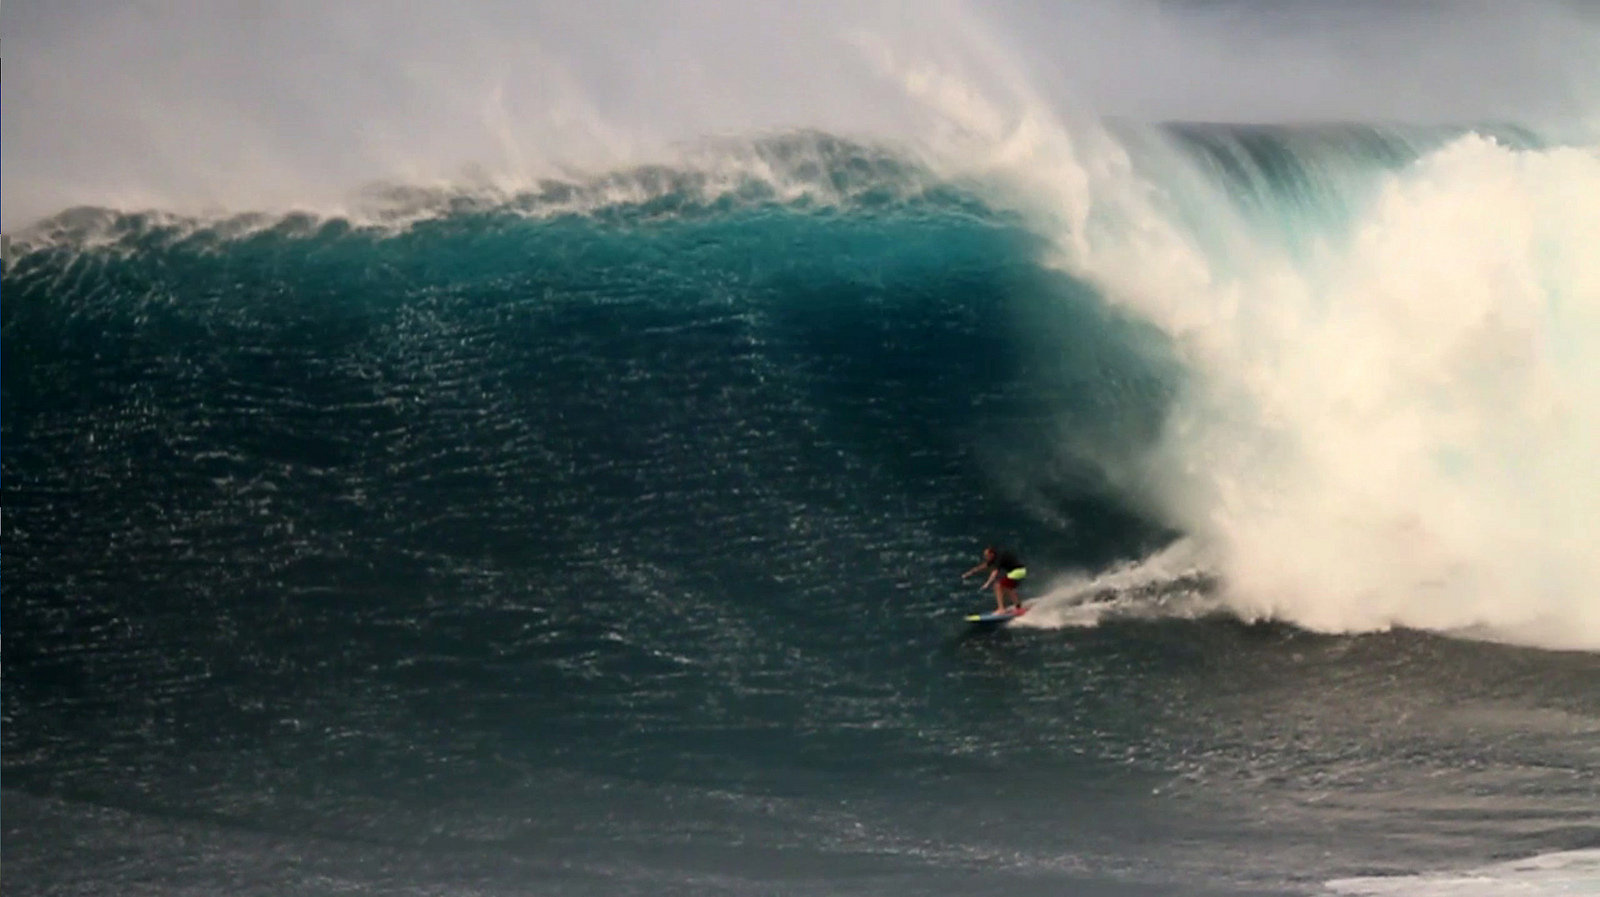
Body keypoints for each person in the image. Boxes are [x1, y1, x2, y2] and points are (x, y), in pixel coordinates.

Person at [962, 546, 1027, 613]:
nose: (985, 557)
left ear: (991, 554)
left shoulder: (998, 558)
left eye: (986, 556)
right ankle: (1018, 606)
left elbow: (994, 572)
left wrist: (987, 584)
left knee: (997, 585)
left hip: (1018, 571)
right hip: (1019, 571)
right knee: (1007, 588)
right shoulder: (994, 558)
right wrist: (969, 573)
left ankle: (1001, 609)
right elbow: (983, 566)